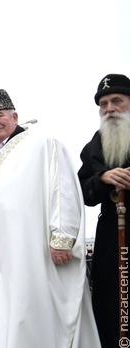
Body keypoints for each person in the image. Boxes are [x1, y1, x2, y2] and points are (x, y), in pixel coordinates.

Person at [0, 89, 99, 347]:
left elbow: (62, 190)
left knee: (36, 313)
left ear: (15, 116)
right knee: (9, 316)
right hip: (1, 259)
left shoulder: (42, 143)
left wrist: (62, 237)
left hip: (37, 252)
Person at [78, 73, 130, 347]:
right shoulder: (96, 143)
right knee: (112, 303)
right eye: (104, 103)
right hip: (112, 234)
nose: (109, 108)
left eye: (117, 101)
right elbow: (81, 189)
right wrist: (103, 179)